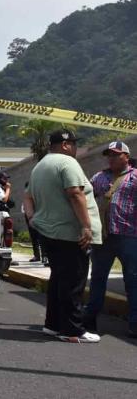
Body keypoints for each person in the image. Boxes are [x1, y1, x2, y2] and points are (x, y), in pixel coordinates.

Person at [23, 130, 102, 343]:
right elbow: (75, 193)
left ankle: (53, 324)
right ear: (65, 145)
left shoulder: (40, 166)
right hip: (70, 233)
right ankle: (72, 330)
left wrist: (32, 218)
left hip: (50, 232)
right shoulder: (67, 163)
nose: (76, 148)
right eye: (74, 144)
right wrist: (86, 227)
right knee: (73, 283)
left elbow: (27, 197)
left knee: (59, 280)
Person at [84, 141, 137, 338]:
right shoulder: (100, 177)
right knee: (97, 279)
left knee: (133, 281)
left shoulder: (135, 176)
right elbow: (84, 195)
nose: (111, 158)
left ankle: (134, 323)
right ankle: (89, 319)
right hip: (103, 237)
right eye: (109, 155)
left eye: (116, 154)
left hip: (129, 236)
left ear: (126, 157)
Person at [23, 181, 47, 265]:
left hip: (38, 216)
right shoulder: (27, 196)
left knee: (41, 237)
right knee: (34, 237)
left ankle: (44, 256)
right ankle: (37, 256)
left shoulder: (37, 195)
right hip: (29, 217)